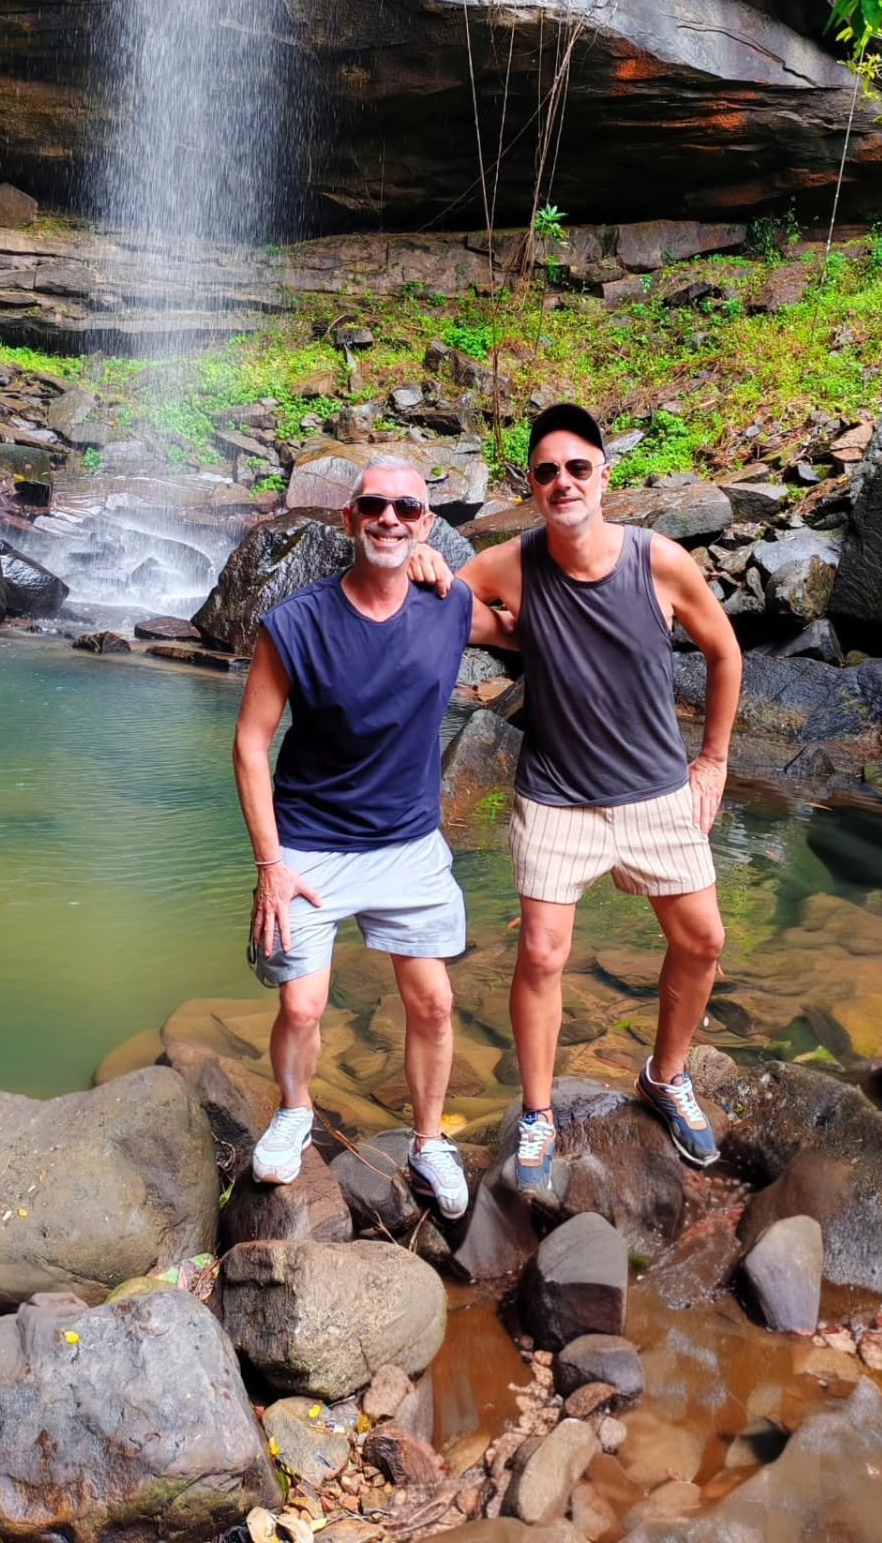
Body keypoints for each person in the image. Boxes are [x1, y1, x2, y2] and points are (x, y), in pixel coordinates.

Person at [410, 402, 743, 1192]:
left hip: (659, 789)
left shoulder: (658, 561)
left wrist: (714, 763)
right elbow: (445, 612)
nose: (563, 482)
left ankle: (665, 1076)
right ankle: (537, 1113)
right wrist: (434, 572)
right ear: (532, 486)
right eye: (547, 471)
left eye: (577, 467)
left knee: (702, 942)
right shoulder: (512, 562)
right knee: (542, 952)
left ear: (605, 474)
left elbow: (726, 655)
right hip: (557, 796)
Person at [232, 457, 515, 1219]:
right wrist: (269, 867)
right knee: (301, 1006)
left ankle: (428, 1142)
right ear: (350, 519)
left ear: (426, 524)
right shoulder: (295, 624)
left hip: (409, 845)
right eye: (375, 506)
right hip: (310, 843)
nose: (390, 519)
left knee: (431, 1004)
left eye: (407, 510)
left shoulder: (448, 604)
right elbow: (252, 744)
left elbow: (532, 614)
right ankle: (295, 1110)